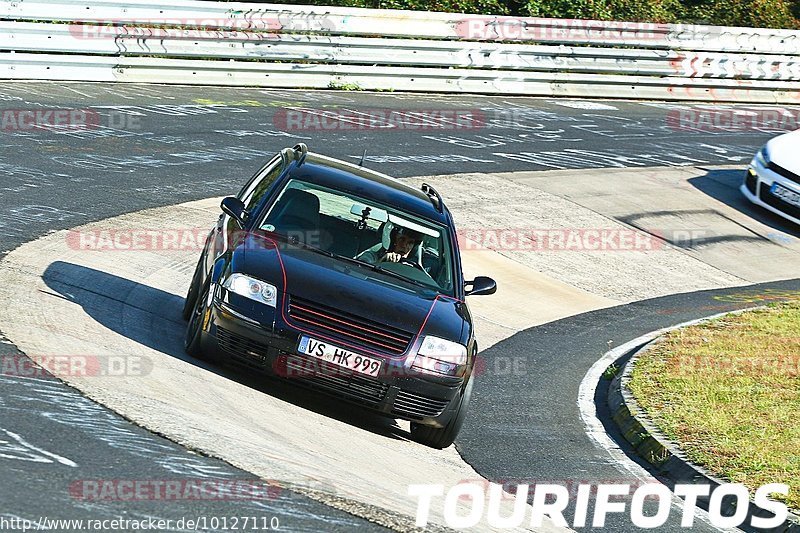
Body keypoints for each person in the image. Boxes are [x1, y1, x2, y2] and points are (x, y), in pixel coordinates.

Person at [357, 225, 423, 265]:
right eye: (401, 239)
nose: (404, 246)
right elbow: (358, 270)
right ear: (392, 240)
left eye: (410, 242)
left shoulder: (412, 269)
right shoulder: (370, 257)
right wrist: (381, 262)